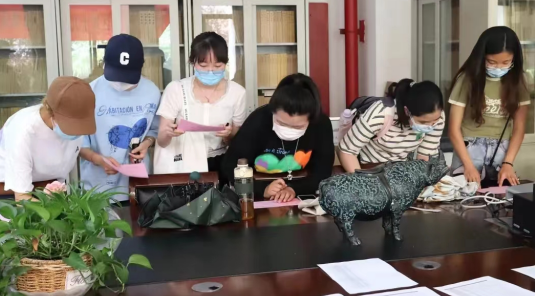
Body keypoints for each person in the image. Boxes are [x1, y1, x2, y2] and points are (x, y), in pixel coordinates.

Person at [222, 73, 334, 202]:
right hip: (256, 195)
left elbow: (323, 171)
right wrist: (262, 189)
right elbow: (230, 165)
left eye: (298, 127)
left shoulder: (321, 124)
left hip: (303, 194)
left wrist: (294, 189)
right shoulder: (258, 120)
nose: (288, 130)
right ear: (273, 111)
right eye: (281, 123)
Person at [0, 76, 96, 201]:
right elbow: (22, 199)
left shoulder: (76, 117)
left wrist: (96, 158)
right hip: (2, 192)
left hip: (46, 186)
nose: (77, 132)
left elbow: (70, 146)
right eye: (72, 126)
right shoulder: (23, 130)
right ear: (51, 112)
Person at [79, 34, 160, 201]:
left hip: (138, 186)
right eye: (117, 75)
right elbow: (77, 143)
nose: (122, 83)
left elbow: (154, 130)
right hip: (97, 189)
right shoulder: (89, 92)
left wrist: (147, 143)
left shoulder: (152, 92)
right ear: (104, 64)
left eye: (128, 77)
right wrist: (98, 159)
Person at [448, 26, 530, 187]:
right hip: (469, 149)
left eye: (506, 62)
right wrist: (468, 166)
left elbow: (519, 128)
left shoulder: (518, 82)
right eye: (492, 62)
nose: (499, 67)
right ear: (482, 57)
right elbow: (453, 129)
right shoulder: (466, 80)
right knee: (464, 197)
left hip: (502, 150)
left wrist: (508, 163)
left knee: (502, 197)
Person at [155, 32, 246, 173]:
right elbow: (161, 141)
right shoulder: (176, 89)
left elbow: (236, 142)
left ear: (226, 63)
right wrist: (168, 133)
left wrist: (227, 135)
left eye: (218, 65)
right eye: (203, 65)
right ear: (193, 62)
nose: (210, 71)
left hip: (219, 162)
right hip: (183, 163)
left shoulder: (237, 93)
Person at [338, 79, 445, 172]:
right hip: (370, 169)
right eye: (423, 122)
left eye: (435, 121)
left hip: (403, 170)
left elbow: (425, 157)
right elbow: (347, 151)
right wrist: (362, 182)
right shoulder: (381, 114)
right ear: (407, 111)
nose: (430, 126)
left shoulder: (437, 117)